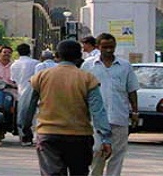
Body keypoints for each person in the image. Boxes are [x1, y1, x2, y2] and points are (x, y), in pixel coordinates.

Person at [22, 40, 112, 176]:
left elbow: (27, 106)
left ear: (57, 55)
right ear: (79, 57)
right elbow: (98, 111)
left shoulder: (41, 77)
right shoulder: (87, 79)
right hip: (80, 137)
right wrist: (105, 138)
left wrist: (25, 128)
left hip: (48, 135)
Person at [81, 33, 139, 176]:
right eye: (105, 47)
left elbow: (132, 90)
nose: (108, 50)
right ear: (98, 47)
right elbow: (81, 90)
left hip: (119, 117)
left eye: (111, 47)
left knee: (117, 156)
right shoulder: (88, 65)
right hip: (95, 119)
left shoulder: (125, 66)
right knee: (97, 152)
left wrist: (135, 112)